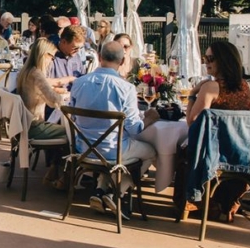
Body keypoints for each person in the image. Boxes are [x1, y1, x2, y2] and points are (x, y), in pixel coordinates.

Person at [68, 41, 157, 218]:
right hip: (113, 151)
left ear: (99, 57)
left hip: (84, 149)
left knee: (117, 147)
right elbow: (135, 129)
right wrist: (150, 118)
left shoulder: (79, 83)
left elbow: (74, 117)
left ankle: (101, 191)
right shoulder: (126, 88)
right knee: (152, 152)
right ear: (123, 61)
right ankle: (117, 192)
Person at [183, 40, 250, 222]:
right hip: (244, 158)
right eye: (205, 58)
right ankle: (225, 201)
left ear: (224, 60)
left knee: (179, 149)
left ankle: (194, 201)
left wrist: (192, 95)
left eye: (210, 58)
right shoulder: (248, 89)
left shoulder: (211, 87)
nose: (206, 62)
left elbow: (192, 123)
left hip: (214, 157)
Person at [16, 38, 68, 187]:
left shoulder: (25, 72)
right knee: (72, 133)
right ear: (44, 55)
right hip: (34, 126)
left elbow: (43, 93)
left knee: (65, 131)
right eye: (51, 56)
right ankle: (65, 175)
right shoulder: (37, 74)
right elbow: (55, 100)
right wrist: (67, 95)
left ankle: (54, 169)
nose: (52, 60)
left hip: (23, 124)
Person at [48, 24, 87, 90]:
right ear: (63, 42)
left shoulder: (76, 57)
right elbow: (43, 83)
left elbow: (82, 81)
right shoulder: (50, 56)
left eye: (81, 48)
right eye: (75, 48)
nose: (78, 51)